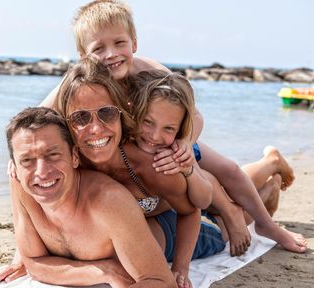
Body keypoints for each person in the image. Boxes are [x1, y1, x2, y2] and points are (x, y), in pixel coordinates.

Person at [38, 0, 305, 256]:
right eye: (99, 48)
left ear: (134, 42)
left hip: (168, 138)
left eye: (120, 43)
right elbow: (39, 116)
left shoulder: (149, 71)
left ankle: (266, 217)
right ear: (84, 55)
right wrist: (20, 158)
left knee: (228, 172)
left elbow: (195, 115)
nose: (111, 54)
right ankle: (261, 175)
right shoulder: (77, 83)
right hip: (141, 145)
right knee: (197, 192)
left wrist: (185, 144)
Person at [128, 69, 308, 256]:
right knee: (220, 195)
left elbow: (206, 183)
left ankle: (269, 169)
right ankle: (269, 170)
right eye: (148, 122)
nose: (155, 135)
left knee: (224, 221)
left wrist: (228, 209)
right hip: (176, 206)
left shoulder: (173, 149)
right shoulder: (124, 140)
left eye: (168, 128)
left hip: (190, 206)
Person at [3, 106, 176, 288]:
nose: (42, 172)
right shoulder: (22, 186)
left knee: (203, 209)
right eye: (27, 160)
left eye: (53, 155)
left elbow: (162, 281)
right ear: (14, 165)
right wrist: (106, 270)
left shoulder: (109, 200)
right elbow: (34, 263)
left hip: (169, 230)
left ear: (74, 156)